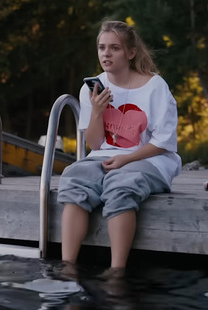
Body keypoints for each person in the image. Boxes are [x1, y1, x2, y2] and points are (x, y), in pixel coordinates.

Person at [58, 20, 181, 275]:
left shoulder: (155, 86)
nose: (106, 53)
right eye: (102, 48)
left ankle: (117, 271)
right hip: (104, 156)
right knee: (74, 178)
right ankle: (68, 267)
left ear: (130, 53)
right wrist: (97, 112)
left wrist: (126, 160)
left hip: (151, 159)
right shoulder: (91, 89)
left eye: (114, 48)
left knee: (121, 184)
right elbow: (94, 144)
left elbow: (163, 142)